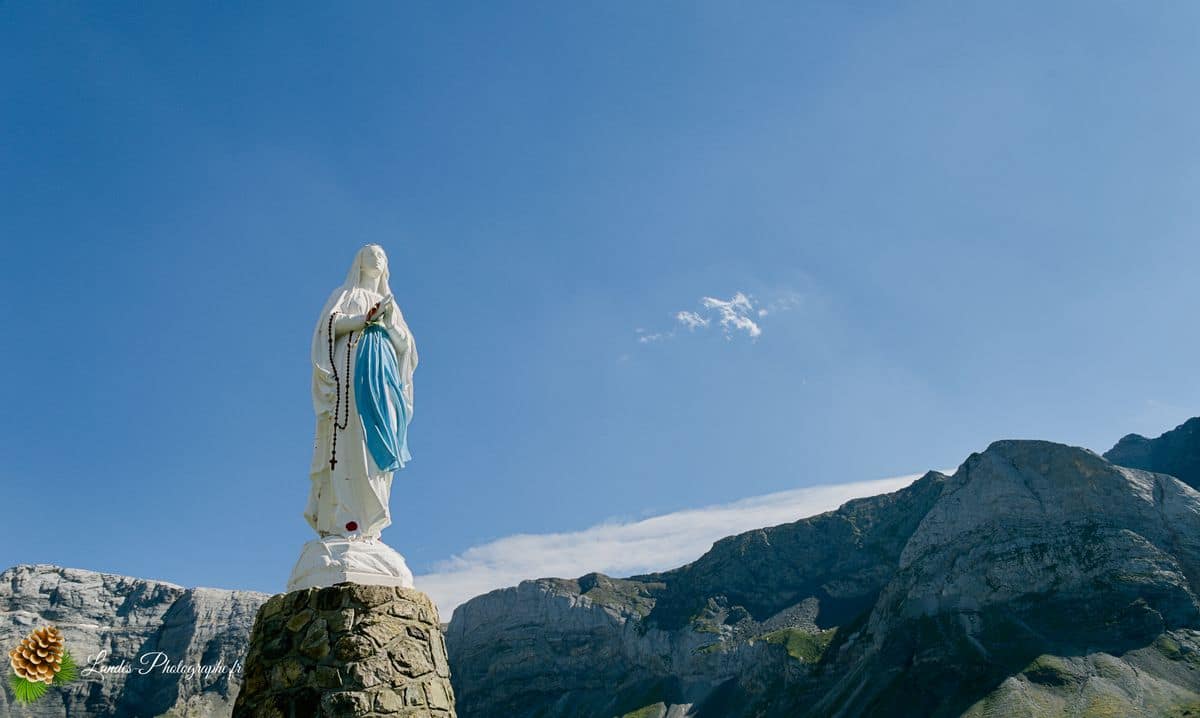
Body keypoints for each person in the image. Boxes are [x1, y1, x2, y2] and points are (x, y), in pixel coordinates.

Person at [303, 244, 417, 542]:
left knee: (377, 440)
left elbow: (407, 348)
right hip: (352, 372)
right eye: (370, 254)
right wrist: (365, 318)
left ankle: (371, 521)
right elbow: (328, 326)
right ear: (359, 262)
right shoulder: (345, 294)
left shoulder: (392, 302)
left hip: (382, 375)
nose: (377, 257)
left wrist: (389, 321)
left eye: (382, 255)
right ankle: (346, 517)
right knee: (352, 435)